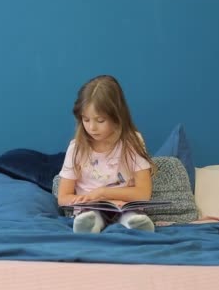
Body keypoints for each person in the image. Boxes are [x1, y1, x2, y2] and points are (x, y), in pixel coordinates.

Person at [57, 75, 156, 233]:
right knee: (90, 214)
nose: (92, 128)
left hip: (123, 206)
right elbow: (63, 197)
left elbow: (143, 194)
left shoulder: (132, 141)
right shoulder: (77, 148)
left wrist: (103, 192)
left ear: (117, 117)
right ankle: (90, 225)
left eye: (100, 120)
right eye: (86, 119)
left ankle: (134, 225)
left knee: (131, 215)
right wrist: (81, 200)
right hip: (90, 209)